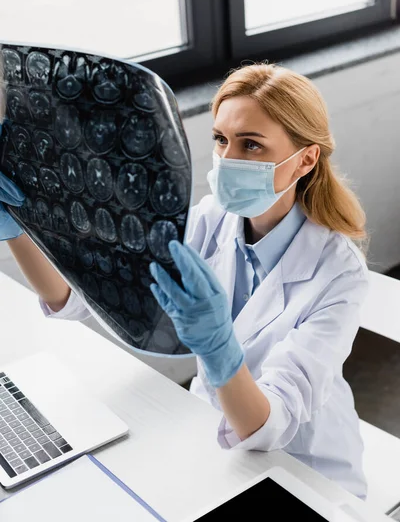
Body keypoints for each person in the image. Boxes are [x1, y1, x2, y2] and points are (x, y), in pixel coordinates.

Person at [0, 63, 368, 499]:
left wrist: (218, 348)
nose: (228, 159)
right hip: (211, 437)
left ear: (305, 159)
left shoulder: (339, 272)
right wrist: (19, 229)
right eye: (221, 139)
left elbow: (272, 424)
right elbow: (81, 297)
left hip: (306, 469)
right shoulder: (213, 219)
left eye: (251, 145)